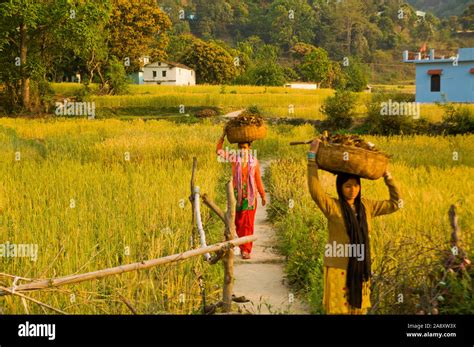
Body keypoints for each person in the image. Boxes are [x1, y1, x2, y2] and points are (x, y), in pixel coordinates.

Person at [307, 138, 402, 314]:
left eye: (356, 186)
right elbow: (315, 191)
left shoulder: (367, 206)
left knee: (358, 310)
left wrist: (387, 176)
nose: (353, 190)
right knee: (338, 311)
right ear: (340, 188)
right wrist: (312, 159)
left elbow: (396, 203)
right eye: (348, 186)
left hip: (361, 268)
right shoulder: (333, 207)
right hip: (338, 267)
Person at [216, 131, 266, 259]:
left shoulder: (254, 162)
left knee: (248, 224)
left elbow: (258, 179)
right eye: (240, 147)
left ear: (249, 148)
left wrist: (262, 195)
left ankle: (246, 250)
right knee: (238, 223)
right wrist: (222, 137)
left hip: (250, 198)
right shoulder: (234, 159)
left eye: (244, 147)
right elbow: (219, 152)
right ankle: (241, 244)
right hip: (237, 197)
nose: (242, 150)